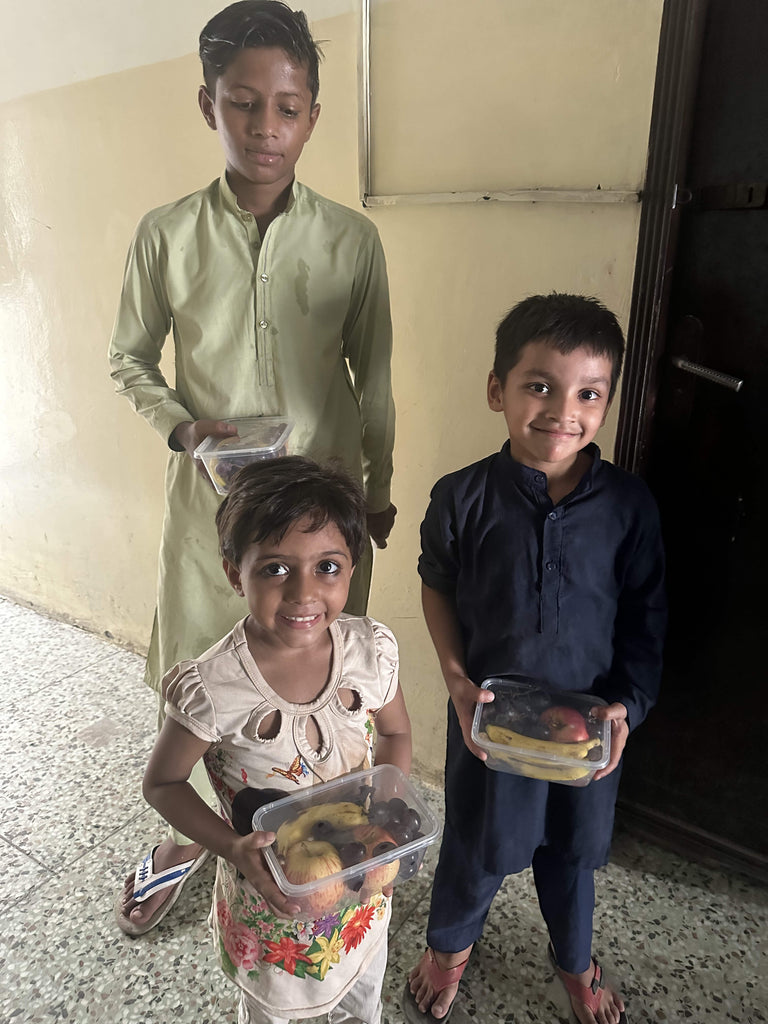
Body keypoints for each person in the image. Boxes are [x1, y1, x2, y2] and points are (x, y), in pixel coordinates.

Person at [109, 0, 396, 934]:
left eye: (287, 106)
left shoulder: (352, 241)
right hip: (218, 521)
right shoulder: (165, 235)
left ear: (313, 114)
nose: (265, 128)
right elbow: (130, 360)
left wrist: (379, 495)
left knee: (320, 676)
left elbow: (376, 379)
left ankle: (319, 832)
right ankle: (190, 836)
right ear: (209, 105)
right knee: (203, 681)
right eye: (243, 104)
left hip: (323, 527)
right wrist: (185, 430)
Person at [402, 294, 666, 1024]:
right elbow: (437, 583)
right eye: (540, 386)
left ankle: (576, 964)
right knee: (476, 843)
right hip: (487, 719)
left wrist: (628, 707)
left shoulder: (629, 508)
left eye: (588, 393)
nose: (562, 411)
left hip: (588, 731)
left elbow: (647, 618)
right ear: (498, 390)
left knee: (572, 853)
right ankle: (449, 947)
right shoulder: (460, 497)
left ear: (608, 402)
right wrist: (456, 679)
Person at [142, 456, 411, 1023]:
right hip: (273, 899)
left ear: (352, 567)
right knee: (276, 1009)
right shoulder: (215, 687)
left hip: (359, 881)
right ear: (234, 573)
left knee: (361, 994)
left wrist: (390, 808)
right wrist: (231, 846)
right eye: (275, 569)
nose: (304, 593)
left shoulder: (369, 653)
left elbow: (395, 730)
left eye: (328, 566)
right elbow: (163, 783)